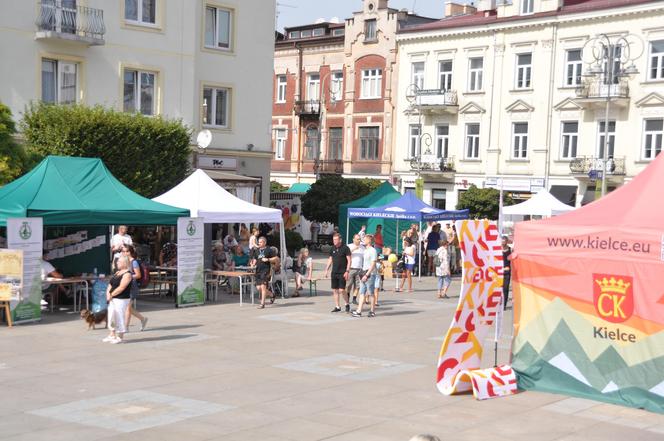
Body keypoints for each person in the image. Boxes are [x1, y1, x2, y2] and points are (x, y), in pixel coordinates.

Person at [102, 256, 133, 344]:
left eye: (119, 261)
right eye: (117, 261)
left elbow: (122, 287)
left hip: (121, 299)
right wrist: (108, 294)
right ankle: (112, 334)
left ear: (124, 263)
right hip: (113, 299)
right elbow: (110, 285)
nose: (117, 263)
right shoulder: (117, 272)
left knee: (119, 316)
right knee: (111, 316)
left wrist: (111, 295)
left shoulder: (127, 274)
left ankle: (120, 336)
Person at [122, 245, 148, 331]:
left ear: (131, 252)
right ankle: (143, 319)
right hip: (125, 286)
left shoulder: (134, 262)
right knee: (127, 307)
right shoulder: (123, 261)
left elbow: (138, 275)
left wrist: (129, 276)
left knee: (128, 307)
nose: (125, 253)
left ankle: (126, 327)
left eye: (127, 251)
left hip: (132, 286)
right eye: (123, 251)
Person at [324, 233, 351, 313]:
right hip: (334, 272)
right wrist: (326, 270)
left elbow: (349, 260)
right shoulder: (332, 248)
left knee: (342, 290)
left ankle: (347, 304)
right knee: (335, 290)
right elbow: (330, 259)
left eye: (336, 240)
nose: (334, 241)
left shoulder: (345, 248)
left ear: (340, 240)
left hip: (343, 272)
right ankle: (337, 306)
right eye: (333, 240)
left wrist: (347, 271)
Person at [352, 234, 377, 318]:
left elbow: (373, 263)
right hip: (363, 273)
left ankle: (372, 311)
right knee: (362, 292)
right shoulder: (365, 250)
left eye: (365, 239)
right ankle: (359, 311)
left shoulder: (373, 250)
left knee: (371, 293)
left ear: (369, 240)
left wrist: (367, 274)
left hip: (370, 274)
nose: (363, 240)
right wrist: (362, 273)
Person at [250, 237, 277, 309]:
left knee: (263, 287)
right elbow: (255, 259)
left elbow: (276, 258)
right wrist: (253, 264)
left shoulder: (269, 250)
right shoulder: (257, 250)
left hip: (266, 271)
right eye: (258, 242)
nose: (259, 243)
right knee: (259, 288)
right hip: (258, 270)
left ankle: (262, 304)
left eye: (261, 242)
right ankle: (272, 295)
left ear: (264, 242)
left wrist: (268, 259)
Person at [346, 234, 364, 307]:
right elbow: (346, 255)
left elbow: (364, 257)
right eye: (357, 239)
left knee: (357, 285)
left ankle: (354, 299)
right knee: (349, 285)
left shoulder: (362, 247)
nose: (359, 240)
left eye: (359, 239)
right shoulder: (349, 246)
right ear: (353, 239)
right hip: (351, 268)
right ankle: (347, 298)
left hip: (359, 268)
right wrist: (354, 249)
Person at [502, 235, 512, 310]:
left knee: (506, 288)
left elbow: (511, 260)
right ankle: (499, 304)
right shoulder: (498, 250)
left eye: (504, 240)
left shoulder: (510, 249)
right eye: (502, 241)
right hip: (499, 272)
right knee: (500, 289)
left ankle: (504, 305)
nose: (503, 242)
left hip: (507, 272)